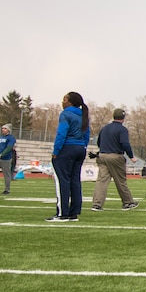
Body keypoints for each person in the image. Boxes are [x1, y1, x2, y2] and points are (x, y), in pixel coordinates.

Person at [49, 91, 91, 222]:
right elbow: (86, 135)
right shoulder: (83, 115)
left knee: (62, 181)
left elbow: (61, 133)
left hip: (67, 148)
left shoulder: (66, 114)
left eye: (65, 99)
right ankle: (74, 212)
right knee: (75, 181)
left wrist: (56, 151)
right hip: (80, 149)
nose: (62, 102)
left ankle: (62, 213)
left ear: (70, 102)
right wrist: (82, 146)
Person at [93, 108, 138, 211]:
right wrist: (131, 156)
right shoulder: (122, 130)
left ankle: (97, 204)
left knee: (101, 181)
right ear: (123, 118)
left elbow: (99, 142)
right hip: (115, 156)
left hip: (102, 155)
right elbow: (125, 144)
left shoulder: (104, 128)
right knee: (120, 180)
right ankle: (128, 202)